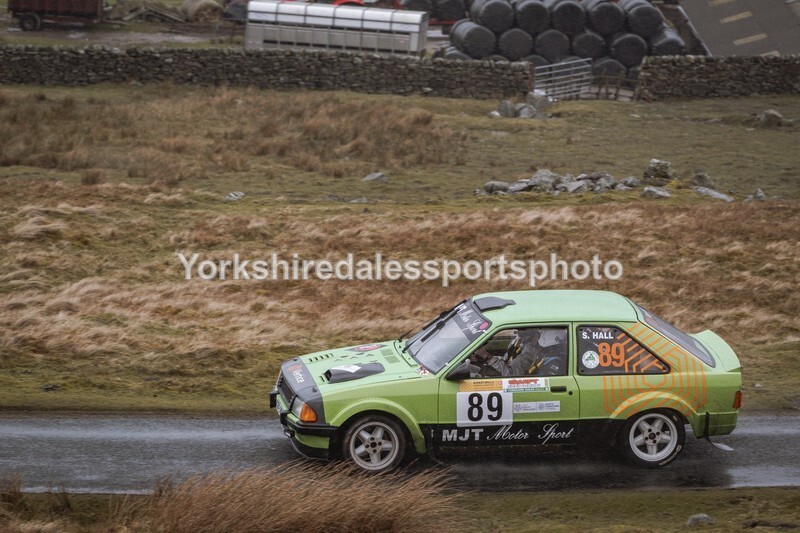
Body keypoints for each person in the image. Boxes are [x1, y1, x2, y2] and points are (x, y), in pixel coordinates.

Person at [472, 329, 544, 377]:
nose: (518, 333)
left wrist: (487, 356)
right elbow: (506, 360)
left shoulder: (530, 352)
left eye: (523, 332)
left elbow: (510, 374)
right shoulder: (518, 341)